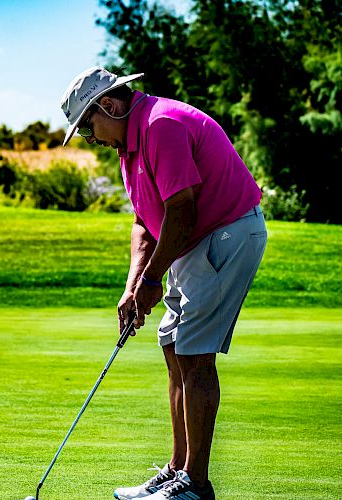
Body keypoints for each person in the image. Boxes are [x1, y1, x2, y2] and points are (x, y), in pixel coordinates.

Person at [60, 67, 267, 500]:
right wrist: (133, 284)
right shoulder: (128, 148)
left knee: (194, 355)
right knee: (173, 346)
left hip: (224, 233)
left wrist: (154, 278)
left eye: (86, 127)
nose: (89, 137)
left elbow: (182, 210)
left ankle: (196, 484)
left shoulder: (160, 126)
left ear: (109, 106)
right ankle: (177, 471)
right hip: (193, 240)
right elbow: (144, 222)